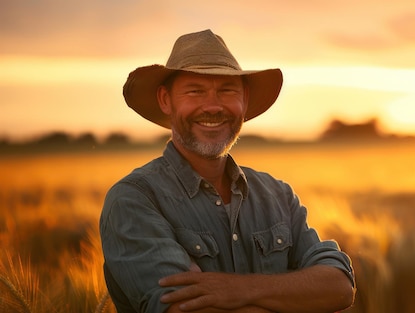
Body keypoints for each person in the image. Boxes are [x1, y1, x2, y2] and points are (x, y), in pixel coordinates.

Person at [99, 29, 355, 313]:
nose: (212, 106)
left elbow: (339, 286)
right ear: (165, 100)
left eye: (227, 90)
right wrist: (293, 296)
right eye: (195, 91)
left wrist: (237, 289)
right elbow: (184, 310)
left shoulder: (277, 194)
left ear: (244, 100)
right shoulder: (135, 200)